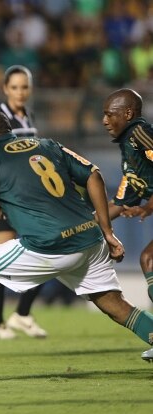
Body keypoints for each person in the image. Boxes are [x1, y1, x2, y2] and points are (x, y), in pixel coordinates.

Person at [0, 111, 153, 382]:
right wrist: (107, 231)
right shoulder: (48, 145)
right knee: (116, 305)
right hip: (89, 239)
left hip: (49, 245)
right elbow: (93, 174)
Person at [0, 65, 47, 340]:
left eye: (24, 87)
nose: (20, 92)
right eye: (15, 87)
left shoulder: (27, 115)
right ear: (5, 89)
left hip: (28, 199)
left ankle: (21, 313)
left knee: (46, 256)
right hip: (3, 199)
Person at [102, 88, 153, 360]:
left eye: (110, 114)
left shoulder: (139, 133)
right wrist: (83, 225)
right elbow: (120, 204)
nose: (104, 120)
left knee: (149, 260)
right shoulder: (129, 150)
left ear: (128, 114)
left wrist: (147, 206)